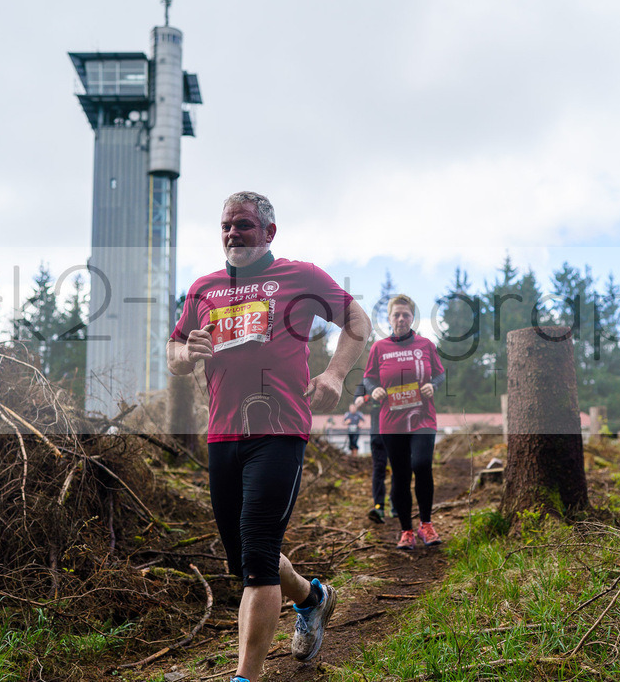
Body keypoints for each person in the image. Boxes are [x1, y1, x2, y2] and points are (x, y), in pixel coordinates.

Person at [167, 191, 371, 682]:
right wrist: (186, 352)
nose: (233, 233)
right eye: (226, 226)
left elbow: (358, 322)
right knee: (247, 555)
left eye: (244, 225)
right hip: (223, 435)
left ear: (269, 233)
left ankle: (245, 677)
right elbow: (174, 354)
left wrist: (335, 375)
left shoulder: (299, 277)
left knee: (256, 559)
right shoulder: (204, 288)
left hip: (279, 430)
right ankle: (312, 597)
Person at [362, 295, 445, 550]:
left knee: (421, 465)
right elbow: (368, 378)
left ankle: (427, 524)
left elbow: (440, 373)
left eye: (405, 315)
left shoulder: (425, 345)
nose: (401, 319)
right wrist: (374, 389)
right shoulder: (379, 348)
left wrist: (433, 385)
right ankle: (406, 530)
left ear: (412, 318)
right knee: (400, 475)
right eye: (396, 315)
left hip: (422, 417)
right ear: (389, 319)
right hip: (392, 421)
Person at [353, 384, 393, 523]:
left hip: (398, 430)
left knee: (399, 468)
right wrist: (360, 399)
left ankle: (396, 504)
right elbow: (359, 394)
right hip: (378, 432)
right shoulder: (369, 379)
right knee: (379, 468)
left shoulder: (397, 373)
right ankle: (379, 507)